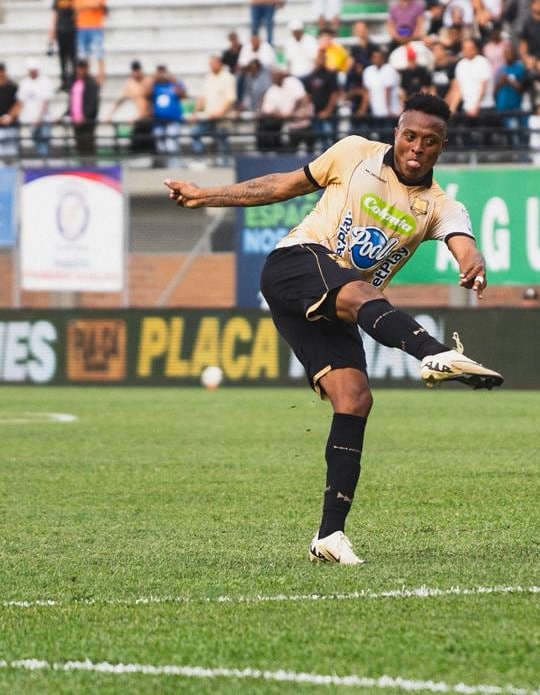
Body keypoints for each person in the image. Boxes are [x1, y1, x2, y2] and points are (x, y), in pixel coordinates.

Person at [164, 93, 501, 565]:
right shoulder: (353, 153)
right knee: (363, 294)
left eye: (430, 141)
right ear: (396, 133)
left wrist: (474, 264)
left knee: (355, 398)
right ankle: (434, 352)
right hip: (295, 264)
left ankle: (329, 536)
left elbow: (465, 245)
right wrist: (205, 195)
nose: (417, 147)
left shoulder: (440, 206)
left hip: (341, 300)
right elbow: (282, 185)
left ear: (440, 148)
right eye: (410, 136)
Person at [192, 54, 236, 159]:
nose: (212, 66)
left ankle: (224, 164)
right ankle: (200, 159)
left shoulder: (228, 77)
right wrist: (194, 113)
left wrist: (220, 113)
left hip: (222, 118)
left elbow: (230, 99)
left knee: (222, 139)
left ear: (220, 64)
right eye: (210, 64)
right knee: (195, 133)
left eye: (214, 63)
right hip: (208, 117)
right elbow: (202, 97)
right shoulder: (208, 77)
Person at [73, 0, 109, 85]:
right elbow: (77, 6)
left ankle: (101, 76)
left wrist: (88, 3)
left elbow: (100, 4)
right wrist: (91, 3)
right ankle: (86, 76)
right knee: (84, 53)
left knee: (99, 51)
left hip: (96, 25)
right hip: (82, 25)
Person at [17, 60, 55, 158]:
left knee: (44, 145)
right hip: (31, 120)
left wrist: (39, 118)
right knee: (36, 145)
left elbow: (45, 102)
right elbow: (20, 101)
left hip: (44, 120)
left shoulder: (45, 81)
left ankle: (45, 167)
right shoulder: (25, 82)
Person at [64, 59, 101, 157]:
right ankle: (82, 169)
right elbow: (72, 102)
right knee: (79, 147)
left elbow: (93, 103)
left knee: (88, 146)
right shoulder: (74, 83)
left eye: (82, 67)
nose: (80, 70)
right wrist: (65, 115)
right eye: (78, 67)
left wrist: (84, 116)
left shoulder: (91, 83)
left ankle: (91, 170)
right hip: (75, 121)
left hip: (87, 122)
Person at [48, 0, 77, 91]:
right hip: (61, 29)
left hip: (72, 29)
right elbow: (55, 16)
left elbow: (78, 12)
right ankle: (64, 81)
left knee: (73, 56)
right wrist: (52, 34)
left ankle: (74, 80)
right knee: (62, 57)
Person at [0, 63, 19, 157]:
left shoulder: (13, 87)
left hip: (11, 125)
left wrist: (9, 117)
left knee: (11, 155)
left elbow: (18, 103)